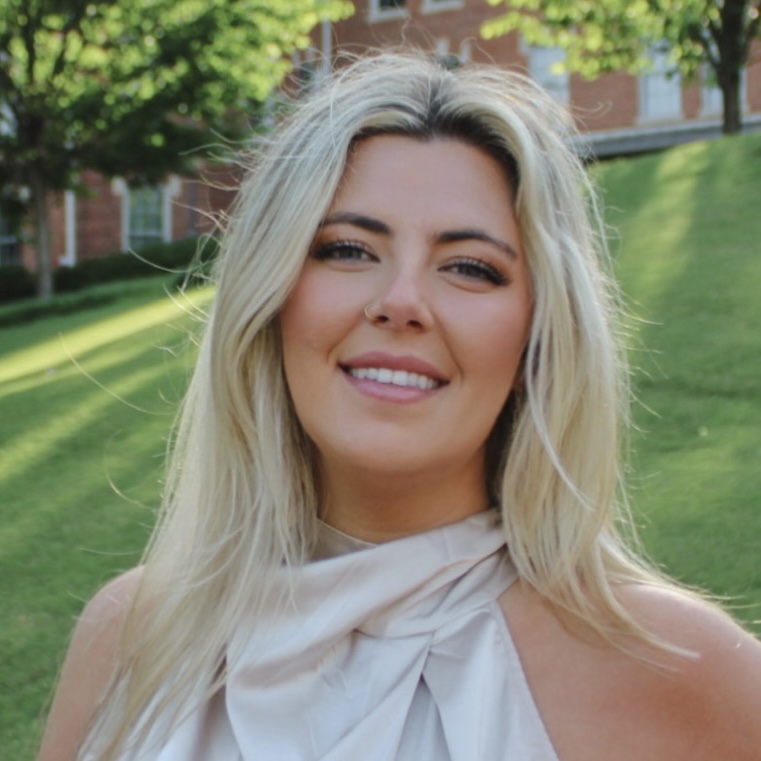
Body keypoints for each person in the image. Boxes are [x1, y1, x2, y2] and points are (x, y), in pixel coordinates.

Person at [38, 51, 761, 761]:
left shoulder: (681, 669)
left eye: (471, 268)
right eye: (348, 250)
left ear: (538, 338)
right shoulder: (130, 638)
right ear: (271, 299)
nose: (401, 302)